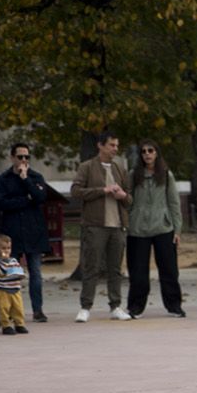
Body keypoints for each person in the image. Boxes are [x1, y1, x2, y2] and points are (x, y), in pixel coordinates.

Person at [70, 133, 133, 322]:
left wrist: (123, 195)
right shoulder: (87, 167)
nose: (115, 149)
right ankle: (85, 307)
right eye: (111, 145)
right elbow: (76, 191)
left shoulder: (120, 168)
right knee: (92, 267)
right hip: (95, 225)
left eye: (116, 145)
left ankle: (115, 306)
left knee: (115, 269)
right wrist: (102, 191)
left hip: (117, 226)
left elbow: (129, 199)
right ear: (101, 146)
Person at [126, 140, 186, 319]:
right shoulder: (133, 175)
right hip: (138, 229)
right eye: (143, 151)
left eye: (150, 150)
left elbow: (174, 203)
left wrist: (177, 229)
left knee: (169, 270)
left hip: (163, 228)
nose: (147, 154)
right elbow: (128, 201)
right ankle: (135, 307)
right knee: (138, 272)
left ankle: (174, 306)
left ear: (156, 153)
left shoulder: (166, 175)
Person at [0, 143, 53, 323]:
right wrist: (25, 200)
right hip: (12, 232)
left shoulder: (35, 177)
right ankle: (11, 310)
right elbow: (2, 203)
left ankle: (38, 309)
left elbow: (40, 197)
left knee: (35, 272)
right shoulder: (3, 179)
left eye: (27, 157)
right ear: (12, 157)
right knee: (10, 272)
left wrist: (25, 179)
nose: (24, 160)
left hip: (33, 231)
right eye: (20, 157)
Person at [0, 234, 29, 334]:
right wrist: (4, 260)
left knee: (18, 308)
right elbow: (0, 272)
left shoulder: (14, 260)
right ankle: (6, 325)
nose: (6, 250)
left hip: (15, 288)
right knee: (4, 308)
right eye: (3, 248)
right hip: (3, 289)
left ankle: (19, 324)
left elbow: (18, 270)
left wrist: (20, 275)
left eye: (8, 248)